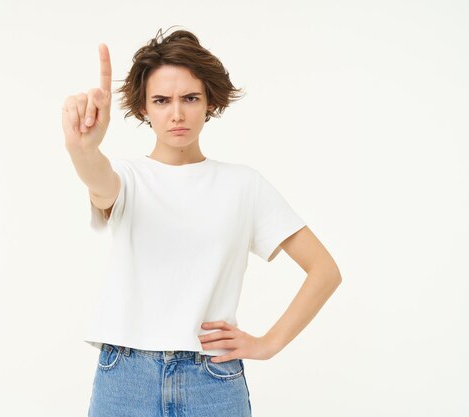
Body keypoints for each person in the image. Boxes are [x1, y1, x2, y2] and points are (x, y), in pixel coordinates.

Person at [62, 26, 342, 417]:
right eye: (161, 100)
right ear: (144, 108)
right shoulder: (127, 178)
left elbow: (325, 271)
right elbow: (99, 181)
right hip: (125, 378)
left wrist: (268, 343)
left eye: (190, 98)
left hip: (211, 380)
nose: (177, 113)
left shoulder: (243, 184)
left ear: (209, 100)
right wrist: (84, 149)